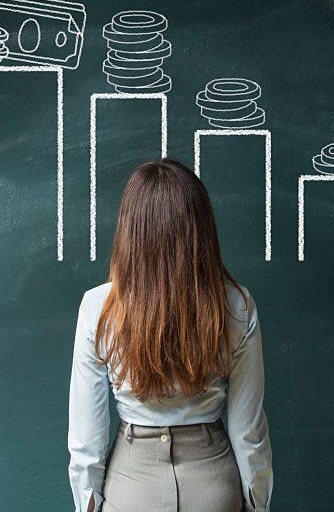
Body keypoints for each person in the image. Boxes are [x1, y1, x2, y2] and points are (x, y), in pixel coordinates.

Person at [68, 158, 273, 511]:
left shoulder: (98, 307)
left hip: (132, 488)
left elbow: (88, 439)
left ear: (130, 229)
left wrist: (88, 504)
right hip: (214, 485)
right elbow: (247, 432)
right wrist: (257, 502)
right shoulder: (237, 304)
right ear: (200, 229)